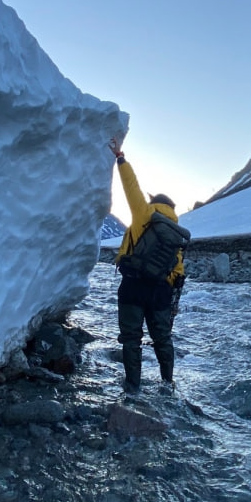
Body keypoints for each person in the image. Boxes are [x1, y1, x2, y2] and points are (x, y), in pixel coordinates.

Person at [108, 137, 187, 395]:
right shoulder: (175, 232)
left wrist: (120, 157)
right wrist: (173, 303)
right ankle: (168, 383)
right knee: (162, 338)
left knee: (132, 338)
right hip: (161, 292)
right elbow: (178, 272)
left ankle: (132, 388)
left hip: (133, 285)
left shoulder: (145, 214)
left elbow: (131, 187)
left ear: (155, 203)